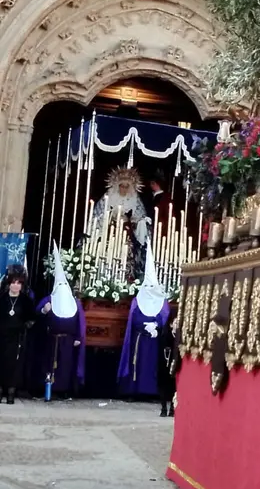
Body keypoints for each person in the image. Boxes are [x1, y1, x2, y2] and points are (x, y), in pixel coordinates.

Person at [118, 242, 170, 398]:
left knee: (152, 366)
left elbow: (165, 316)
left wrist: (156, 325)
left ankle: (152, 392)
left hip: (155, 341)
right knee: (138, 364)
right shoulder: (137, 301)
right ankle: (134, 392)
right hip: (139, 340)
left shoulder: (163, 301)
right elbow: (133, 318)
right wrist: (143, 326)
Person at [36, 244, 85, 398]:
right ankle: (47, 390)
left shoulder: (75, 303)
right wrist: (44, 311)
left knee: (65, 366)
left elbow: (80, 322)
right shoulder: (49, 299)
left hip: (68, 341)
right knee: (48, 365)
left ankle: (63, 390)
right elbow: (36, 315)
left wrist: (78, 337)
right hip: (51, 340)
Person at [88, 167, 150, 282]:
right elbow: (98, 214)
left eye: (127, 186)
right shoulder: (108, 197)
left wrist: (135, 222)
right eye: (121, 186)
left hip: (126, 232)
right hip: (109, 229)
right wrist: (109, 218)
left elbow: (141, 216)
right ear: (117, 185)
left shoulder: (135, 199)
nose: (124, 189)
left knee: (129, 252)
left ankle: (126, 278)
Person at [0, 264, 35, 403]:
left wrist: (24, 327)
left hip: (17, 338)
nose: (15, 285)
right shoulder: (1, 298)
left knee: (14, 365)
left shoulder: (26, 300)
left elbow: (32, 318)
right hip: (1, 336)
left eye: (18, 283)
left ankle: (11, 392)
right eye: (13, 282)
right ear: (9, 283)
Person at [157, 304, 179, 417]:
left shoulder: (180, 333)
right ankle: (164, 407)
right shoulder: (165, 332)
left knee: (173, 386)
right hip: (165, 362)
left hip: (175, 362)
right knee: (164, 384)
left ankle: (172, 409)